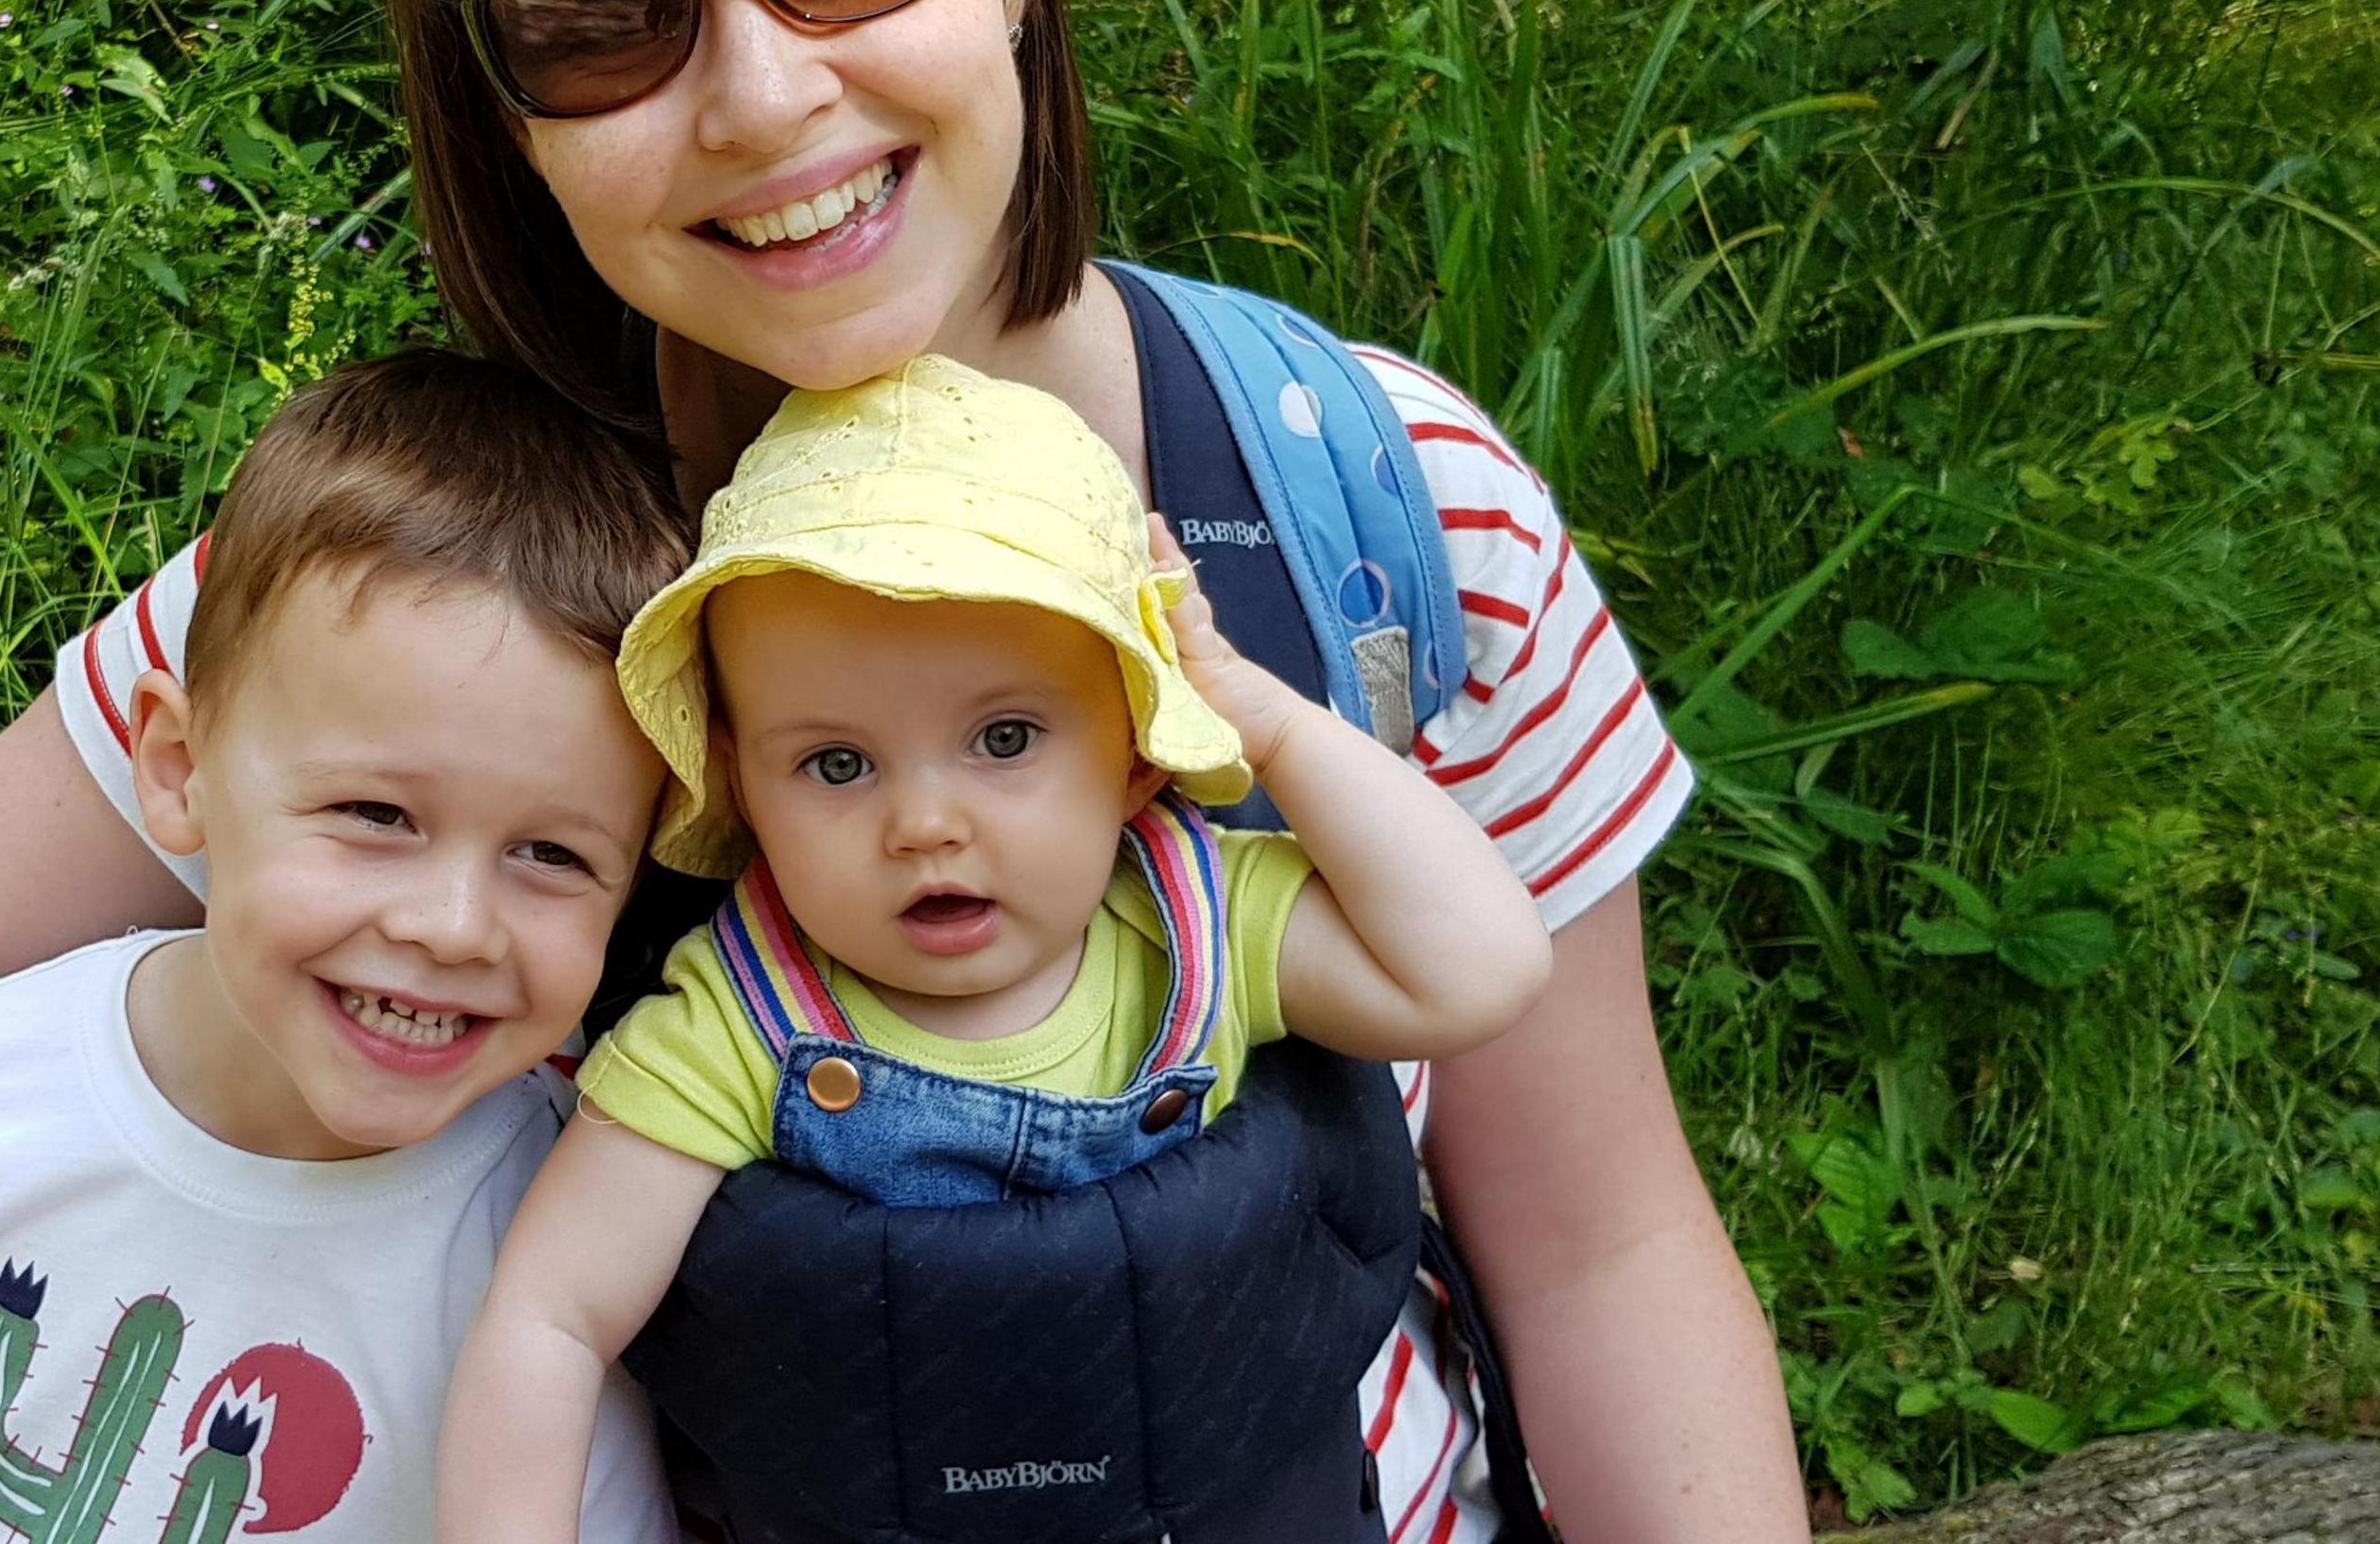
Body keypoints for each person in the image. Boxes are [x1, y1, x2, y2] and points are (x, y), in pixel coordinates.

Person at [0, 0, 1809, 1544]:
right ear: (502, 116)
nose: (762, 91)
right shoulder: (431, 574)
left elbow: (1598, 1244)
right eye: (603, 12)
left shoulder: (1374, 509)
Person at [439, 355, 1554, 1540]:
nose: (924, 822)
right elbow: (550, 1318)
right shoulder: (737, 1023)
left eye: (1005, 736)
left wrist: (1264, 714)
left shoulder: (1197, 926)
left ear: (1136, 754)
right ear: (744, 790)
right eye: (835, 763)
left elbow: (1480, 967)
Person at [0, 352, 685, 1543]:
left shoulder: (549, 1267)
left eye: (554, 855)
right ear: (175, 770)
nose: (452, 923)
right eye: (377, 815)